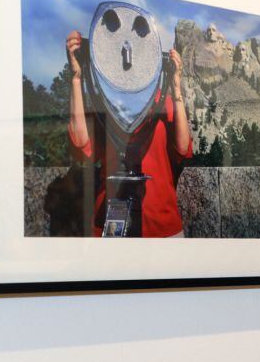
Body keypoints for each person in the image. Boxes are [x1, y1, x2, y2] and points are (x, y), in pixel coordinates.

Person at [65, 30, 193, 237]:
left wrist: (175, 87)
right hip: (114, 220)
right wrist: (76, 78)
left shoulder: (164, 103)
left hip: (160, 222)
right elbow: (82, 146)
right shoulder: (106, 103)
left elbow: (182, 148)